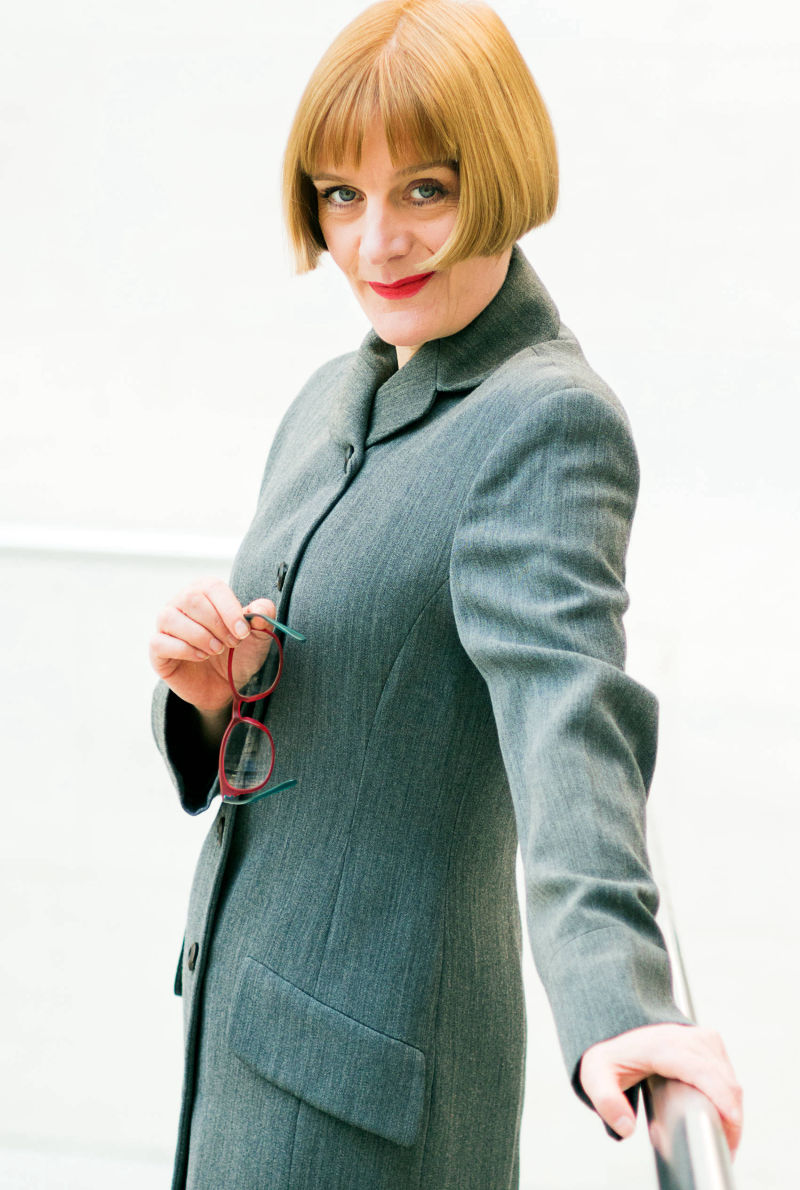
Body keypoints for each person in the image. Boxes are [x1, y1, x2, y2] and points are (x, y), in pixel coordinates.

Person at [150, 2, 742, 1187]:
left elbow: (566, 715)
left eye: (423, 188)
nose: (376, 243)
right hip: (240, 1046)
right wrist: (213, 694)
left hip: (361, 1107)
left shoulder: (544, 419)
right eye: (341, 195)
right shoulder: (330, 398)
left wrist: (620, 1001)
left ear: (501, 174)